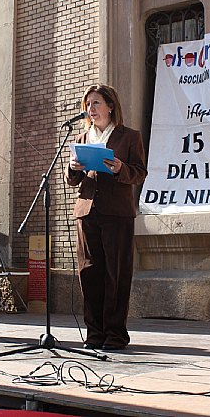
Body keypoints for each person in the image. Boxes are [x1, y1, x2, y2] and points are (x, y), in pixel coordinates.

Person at [65, 84, 147, 351]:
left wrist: (121, 168)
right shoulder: (82, 137)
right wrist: (72, 167)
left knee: (116, 273)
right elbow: (72, 180)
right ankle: (94, 334)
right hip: (87, 211)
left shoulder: (129, 137)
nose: (91, 109)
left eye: (96, 103)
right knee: (89, 273)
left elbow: (139, 173)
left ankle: (115, 334)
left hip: (117, 213)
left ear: (111, 106)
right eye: (88, 104)